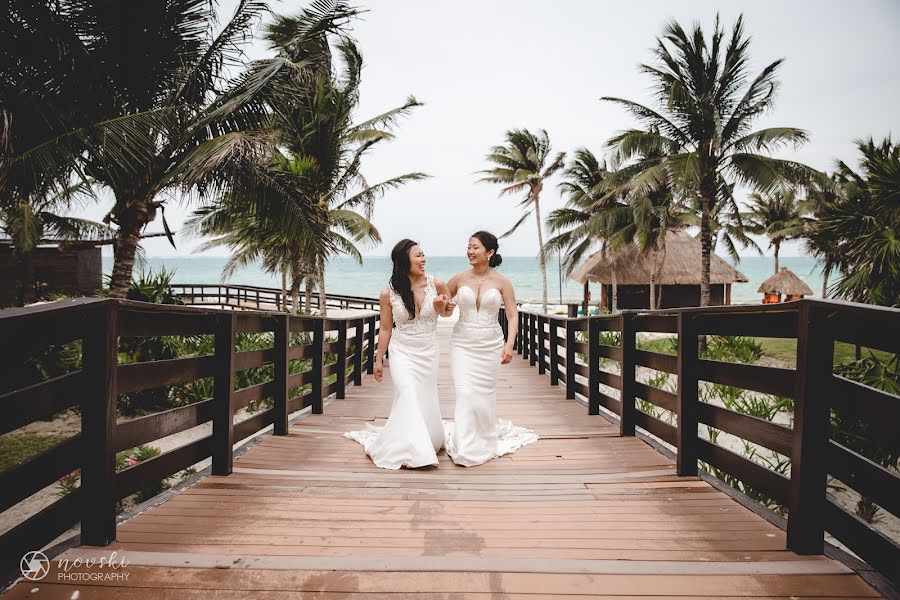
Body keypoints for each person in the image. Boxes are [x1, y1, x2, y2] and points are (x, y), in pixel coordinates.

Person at [344, 239, 451, 469]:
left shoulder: (437, 284)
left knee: (425, 396)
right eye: (418, 256)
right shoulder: (388, 293)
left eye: (423, 255)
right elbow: (385, 329)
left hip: (429, 350)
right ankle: (412, 452)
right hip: (402, 351)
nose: (423, 259)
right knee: (407, 394)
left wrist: (444, 306)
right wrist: (378, 358)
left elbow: (445, 313)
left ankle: (428, 437)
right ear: (404, 261)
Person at [441, 231, 538, 466]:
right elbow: (441, 309)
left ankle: (483, 437)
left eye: (475, 247)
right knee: (465, 393)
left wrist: (509, 344)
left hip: (490, 345)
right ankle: (464, 445)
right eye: (468, 247)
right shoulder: (458, 279)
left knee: (483, 395)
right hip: (462, 343)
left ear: (490, 252)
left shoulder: (502, 282)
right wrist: (446, 307)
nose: (470, 252)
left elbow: (513, 315)